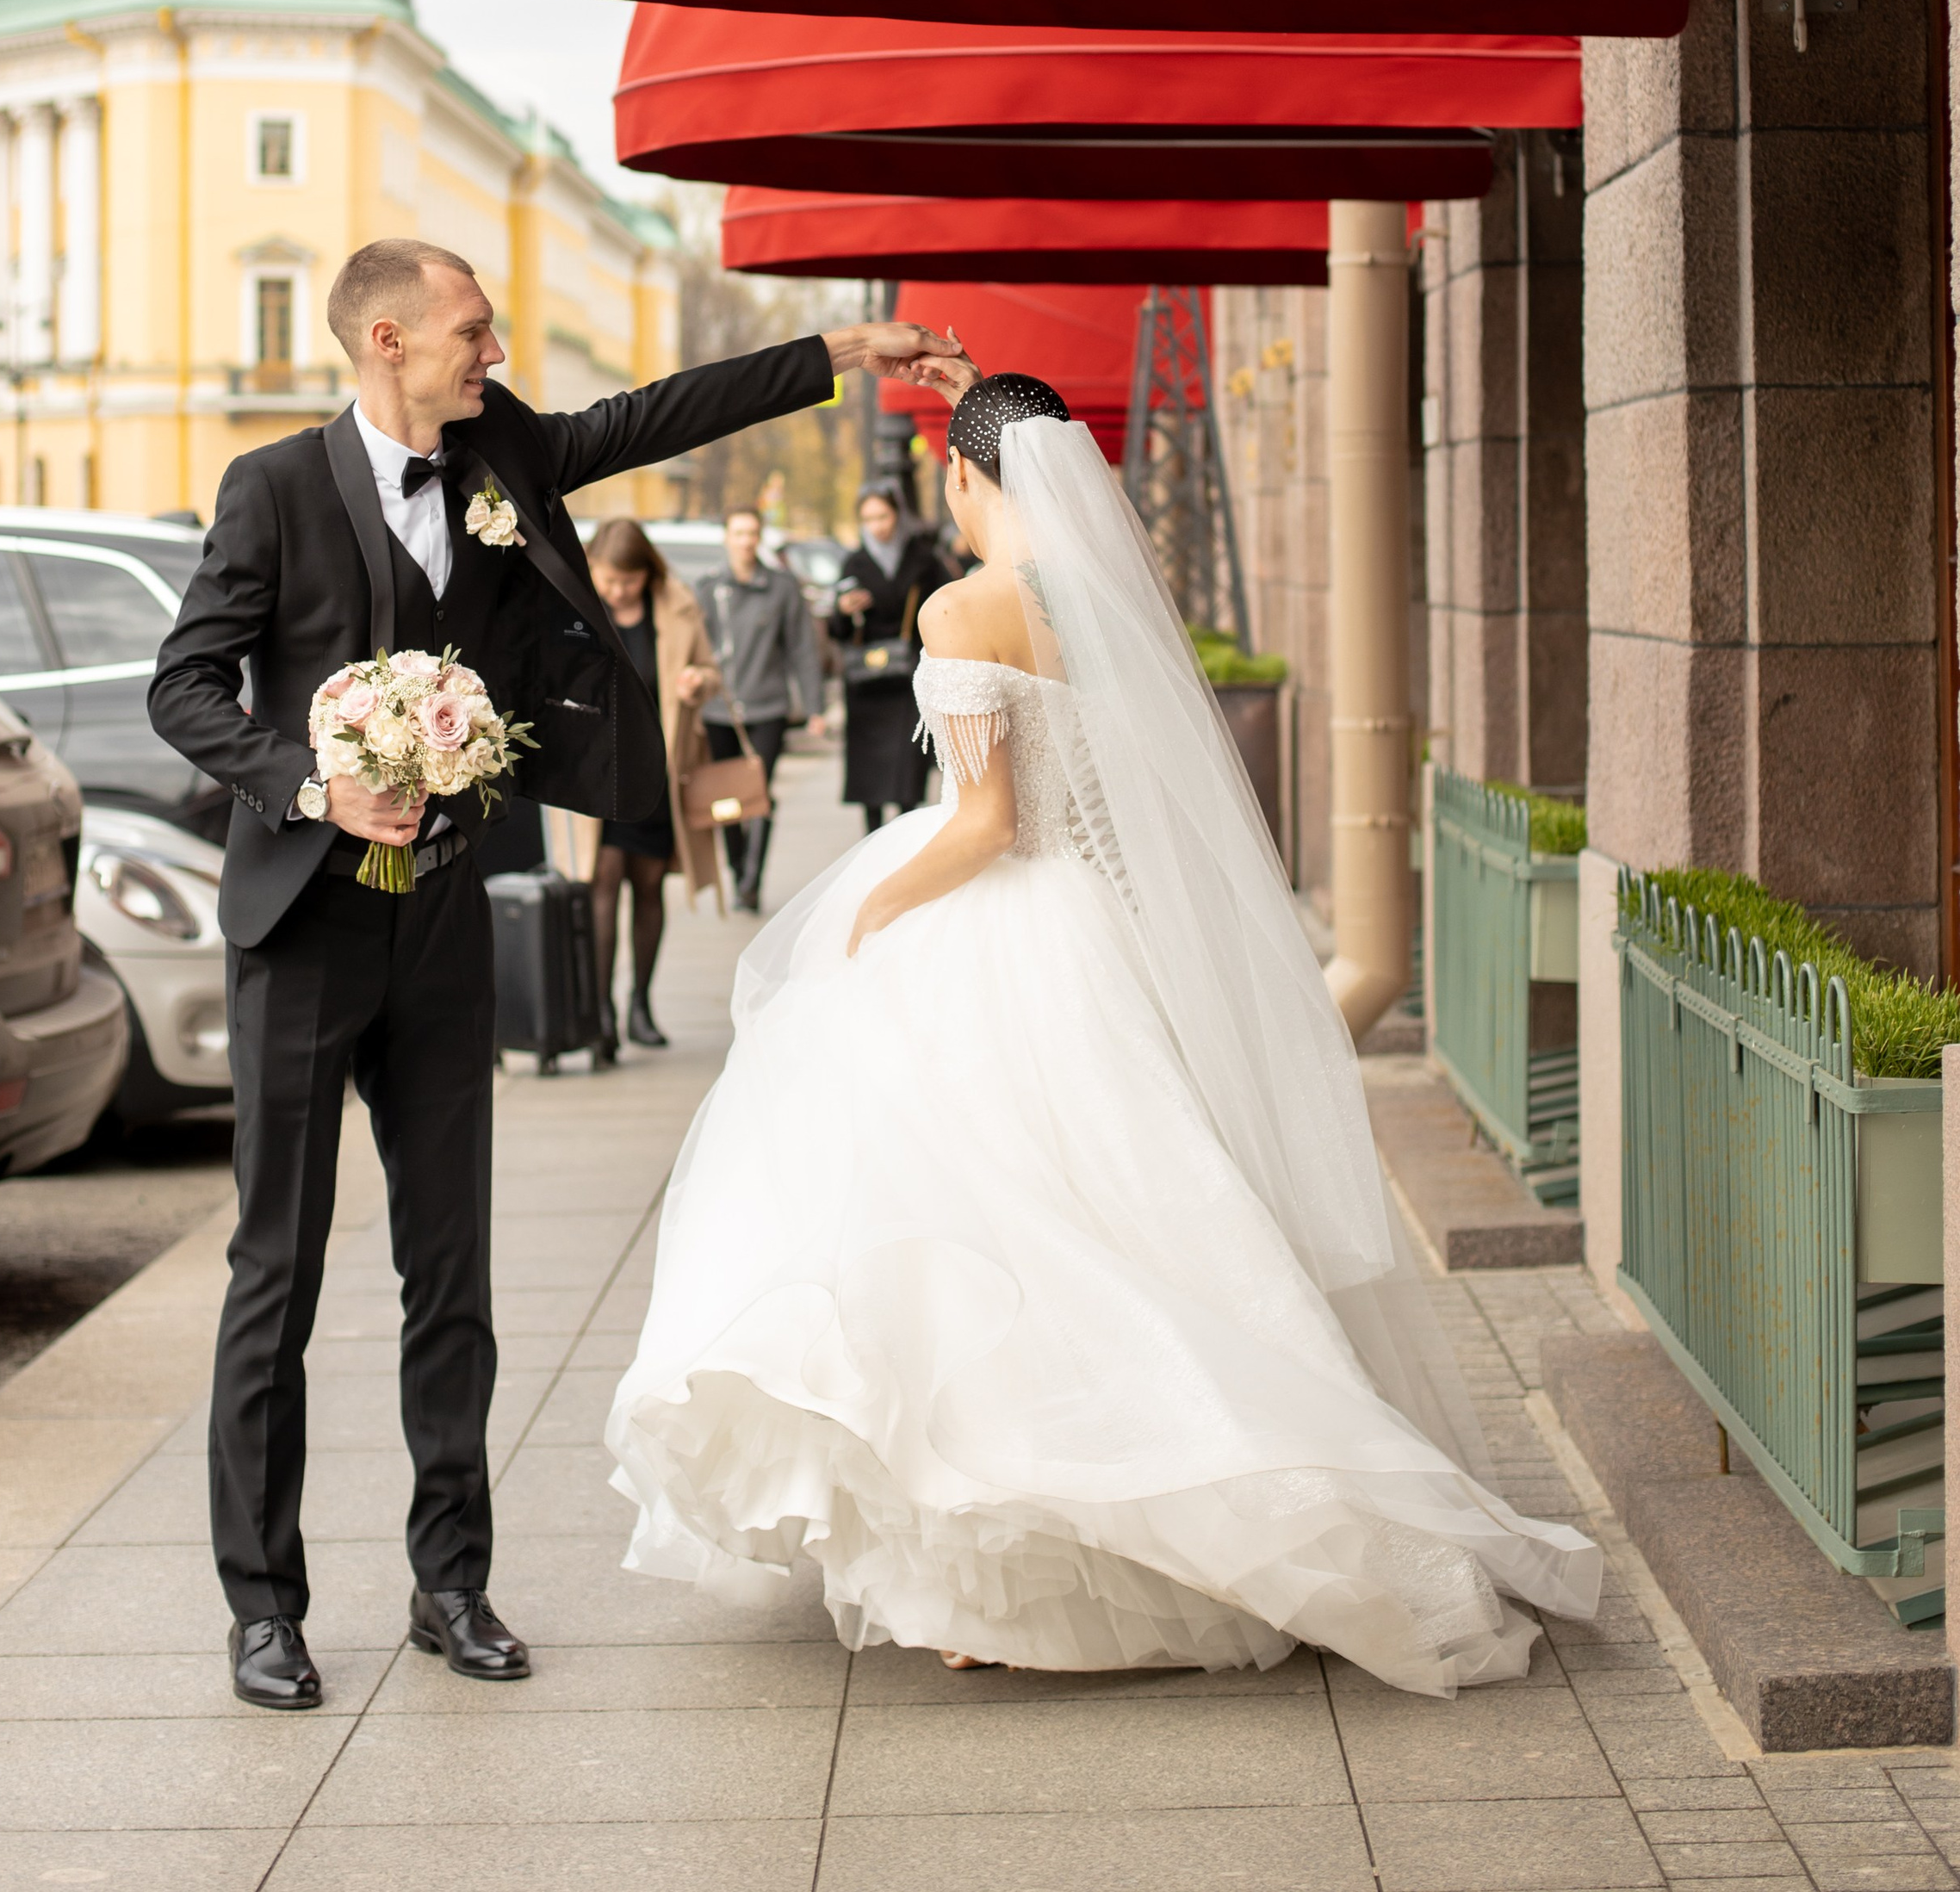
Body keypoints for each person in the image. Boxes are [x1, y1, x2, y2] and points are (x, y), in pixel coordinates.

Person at [609, 369, 1602, 1692]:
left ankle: (1015, 1569)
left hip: (1001, 926)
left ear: (964, 477)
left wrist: (867, 913)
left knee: (989, 1243)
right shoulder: (1106, 605)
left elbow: (985, 825)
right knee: (1129, 1223)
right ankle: (1155, 1528)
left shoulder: (962, 603)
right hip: (1100, 928)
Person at [146, 235, 962, 1715]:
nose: (498, 351)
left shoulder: (503, 455)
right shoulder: (270, 490)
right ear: (386, 340)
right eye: (472, 331)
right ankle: (264, 1607)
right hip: (307, 932)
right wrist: (313, 783)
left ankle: (452, 1580)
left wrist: (842, 354)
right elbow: (186, 688)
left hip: (447, 921)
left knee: (450, 1269)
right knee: (277, 1272)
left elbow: (651, 415)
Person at [583, 518, 720, 1052]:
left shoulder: (676, 608)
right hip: (596, 775)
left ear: (647, 573)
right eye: (609, 580)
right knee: (602, 881)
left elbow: (711, 671)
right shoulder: (577, 608)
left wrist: (697, 682)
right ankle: (599, 1013)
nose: (617, 591)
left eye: (628, 581)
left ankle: (640, 1002)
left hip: (657, 771)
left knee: (647, 884)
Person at [698, 504, 824, 909]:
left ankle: (752, 879)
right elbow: (693, 649)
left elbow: (803, 649)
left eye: (752, 533)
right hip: (719, 711)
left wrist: (815, 706)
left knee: (759, 793)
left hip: (767, 707)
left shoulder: (782, 587)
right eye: (738, 533)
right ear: (726, 538)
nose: (746, 541)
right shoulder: (708, 586)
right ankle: (737, 868)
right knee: (727, 797)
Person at [833, 481, 948, 834]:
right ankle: (872, 840)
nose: (877, 525)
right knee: (870, 773)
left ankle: (905, 837)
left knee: (907, 769)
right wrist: (843, 609)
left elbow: (944, 608)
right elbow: (837, 630)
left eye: (883, 515)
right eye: (868, 519)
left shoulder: (923, 560)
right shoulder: (854, 562)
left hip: (909, 679)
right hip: (868, 684)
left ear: (897, 515)